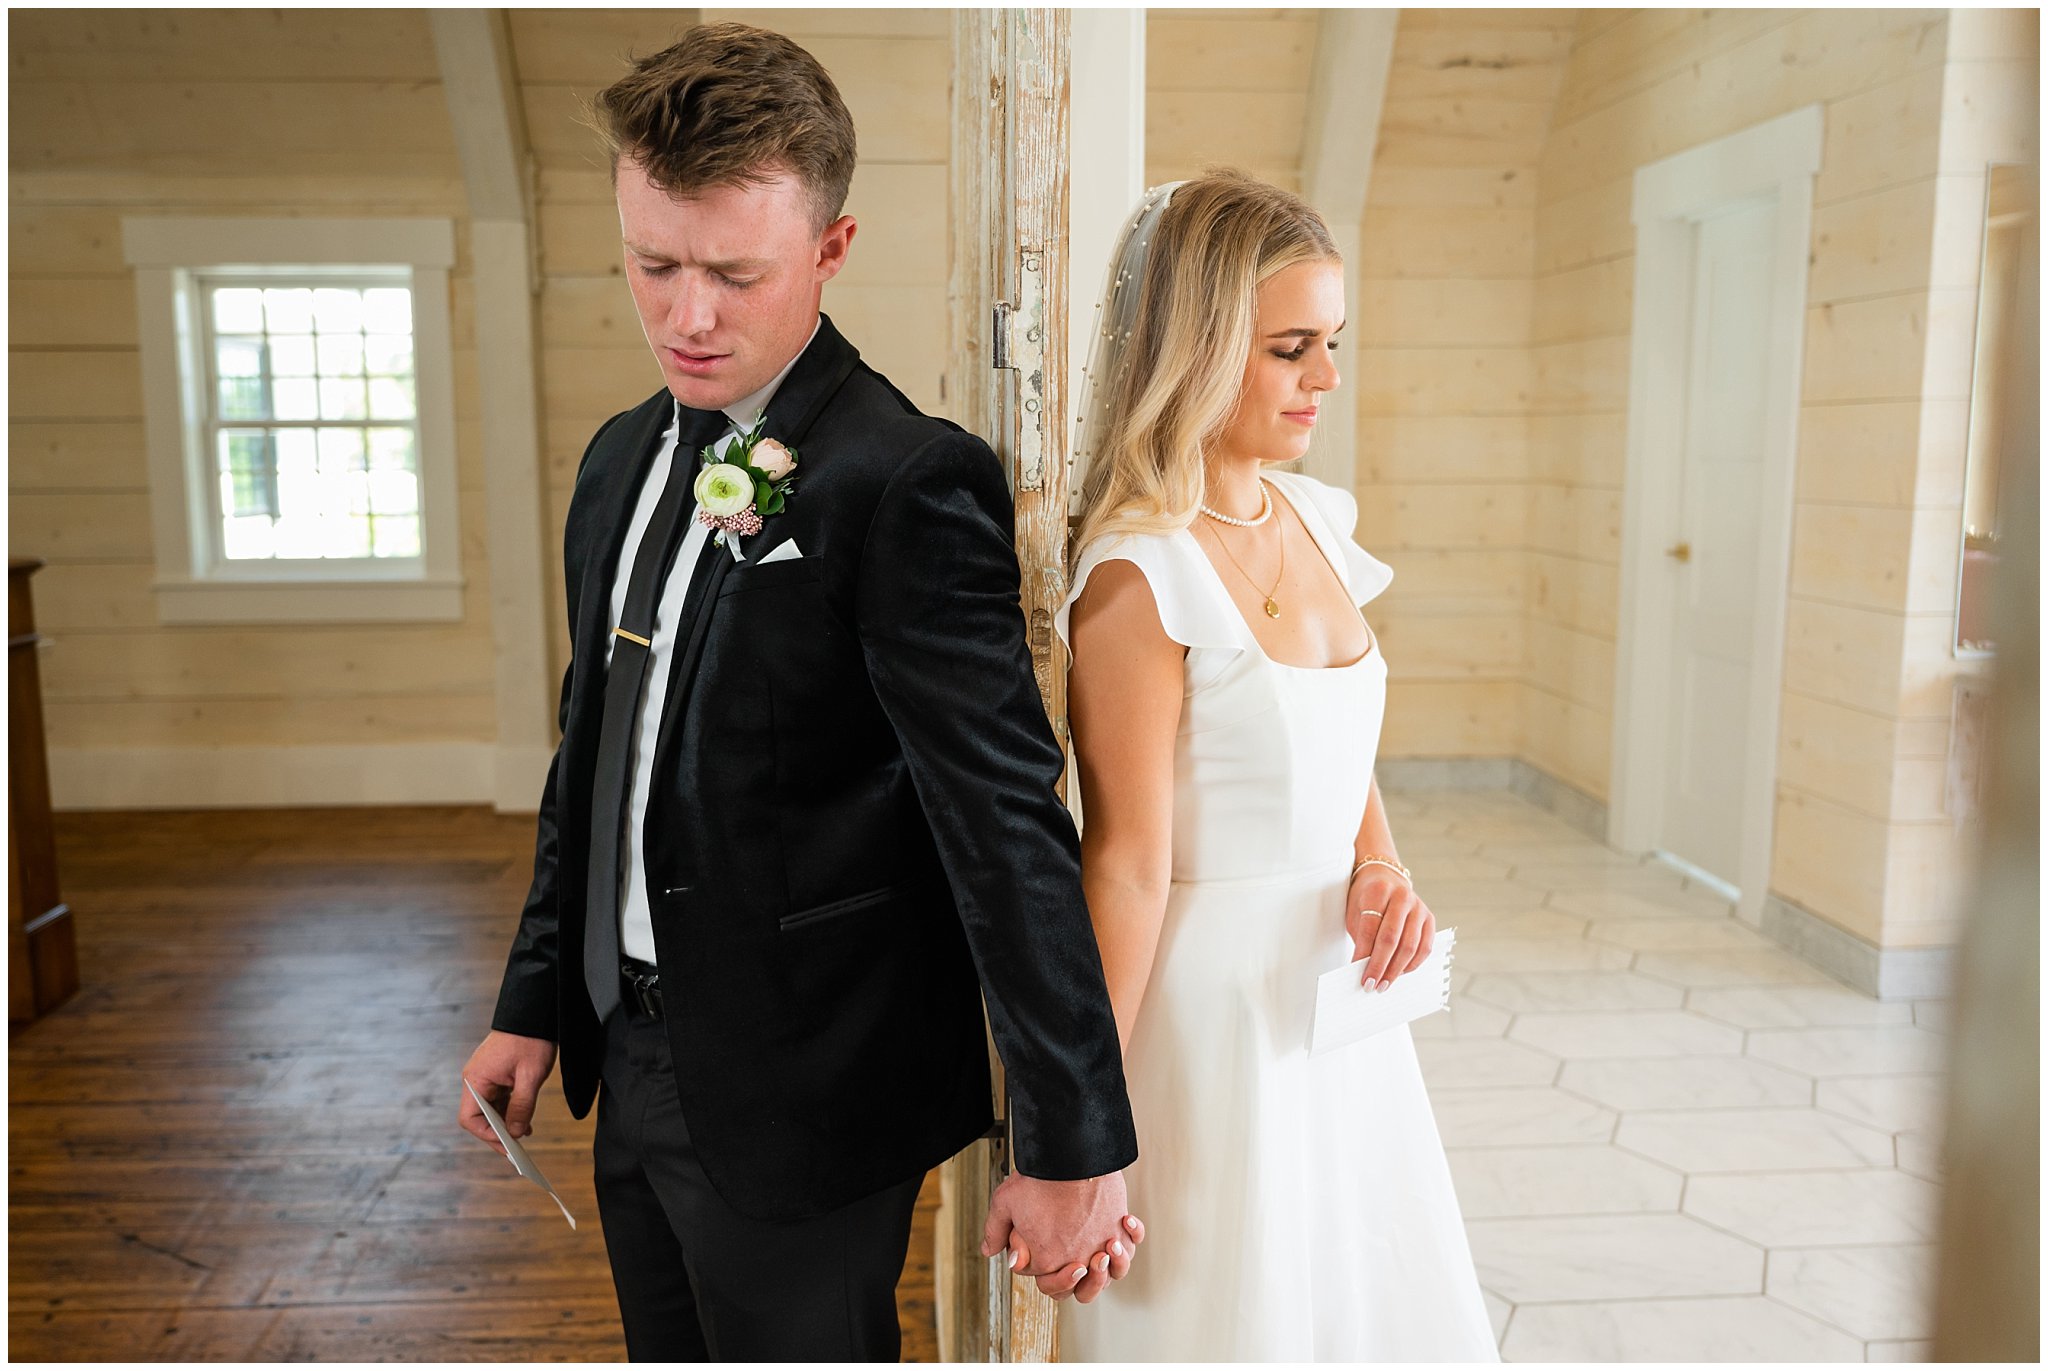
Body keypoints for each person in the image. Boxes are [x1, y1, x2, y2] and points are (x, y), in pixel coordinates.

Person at [455, 24, 1142, 1361]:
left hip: (808, 1087)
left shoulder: (903, 480)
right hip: (630, 1054)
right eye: (653, 264)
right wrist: (534, 995)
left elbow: (1005, 822)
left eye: (733, 272)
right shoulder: (615, 462)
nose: (688, 314)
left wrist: (1071, 1137)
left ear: (830, 250)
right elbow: (595, 754)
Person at [1054, 172, 1498, 1361]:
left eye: (1331, 343)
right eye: (1290, 348)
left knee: (1353, 1298)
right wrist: (1078, 1125)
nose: (1325, 379)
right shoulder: (1137, 573)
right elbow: (1128, 867)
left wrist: (1379, 866)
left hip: (1337, 1006)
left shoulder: (1316, 520)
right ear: (1192, 349)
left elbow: (1332, 741)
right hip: (1210, 1027)